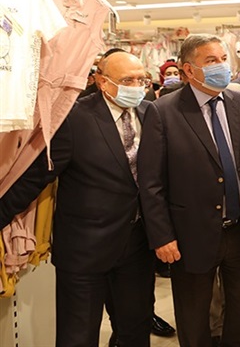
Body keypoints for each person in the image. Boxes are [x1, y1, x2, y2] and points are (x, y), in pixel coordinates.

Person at [0, 51, 156, 346]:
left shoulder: (150, 113)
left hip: (137, 246)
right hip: (85, 250)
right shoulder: (73, 118)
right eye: (127, 80)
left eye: (141, 79)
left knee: (135, 329)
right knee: (78, 335)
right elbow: (36, 177)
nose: (137, 86)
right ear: (102, 81)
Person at [137, 34, 240, 347]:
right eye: (211, 61)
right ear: (188, 70)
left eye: (223, 59)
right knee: (194, 313)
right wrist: (162, 236)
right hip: (190, 232)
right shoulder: (164, 111)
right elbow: (151, 182)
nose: (221, 67)